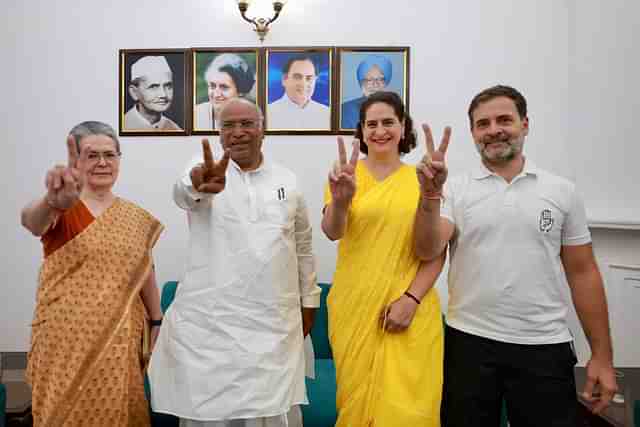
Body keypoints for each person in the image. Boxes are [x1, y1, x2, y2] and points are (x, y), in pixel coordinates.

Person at [413, 85, 618, 426]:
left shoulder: (561, 191)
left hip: (544, 346)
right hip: (469, 344)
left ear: (525, 124)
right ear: (473, 133)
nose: (493, 130)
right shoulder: (454, 189)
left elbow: (583, 273)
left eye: (504, 119)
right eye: (483, 124)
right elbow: (427, 248)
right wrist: (431, 196)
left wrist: (603, 356)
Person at [148, 98, 320, 427]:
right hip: (211, 327)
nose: (238, 132)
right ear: (218, 133)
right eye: (228, 126)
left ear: (262, 129)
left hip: (271, 327)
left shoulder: (287, 180)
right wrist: (199, 184)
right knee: (210, 415)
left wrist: (309, 298)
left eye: (246, 124)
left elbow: (302, 244)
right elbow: (184, 192)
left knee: (271, 411)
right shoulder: (204, 167)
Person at [21, 121, 164, 426]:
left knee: (119, 412)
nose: (102, 162)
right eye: (92, 155)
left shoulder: (136, 217)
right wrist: (50, 201)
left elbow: (145, 268)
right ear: (77, 161)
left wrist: (156, 319)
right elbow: (31, 222)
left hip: (120, 338)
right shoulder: (62, 207)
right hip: (65, 340)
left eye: (110, 155)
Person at [321, 91, 444, 426]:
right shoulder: (344, 175)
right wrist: (342, 200)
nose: (379, 131)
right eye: (370, 124)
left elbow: (436, 250)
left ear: (403, 127)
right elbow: (332, 231)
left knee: (410, 412)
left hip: (411, 308)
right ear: (360, 131)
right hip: (354, 307)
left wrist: (411, 299)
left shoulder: (425, 177)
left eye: (388, 122)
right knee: (356, 408)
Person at [194, 53, 255, 130]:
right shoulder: (196, 115)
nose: (216, 94)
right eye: (212, 86)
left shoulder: (252, 119)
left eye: (224, 87)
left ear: (240, 91)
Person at [267, 54, 330, 130]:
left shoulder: (327, 114)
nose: (303, 84)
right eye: (297, 77)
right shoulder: (268, 113)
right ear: (284, 79)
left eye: (309, 78)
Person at [124, 55, 183, 131]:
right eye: (153, 87)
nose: (163, 94)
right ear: (134, 92)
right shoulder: (124, 125)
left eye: (168, 86)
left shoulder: (175, 129)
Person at [340, 54, 393, 129]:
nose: (375, 84)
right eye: (369, 79)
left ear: (386, 83)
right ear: (361, 83)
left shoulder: (394, 108)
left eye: (380, 79)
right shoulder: (347, 109)